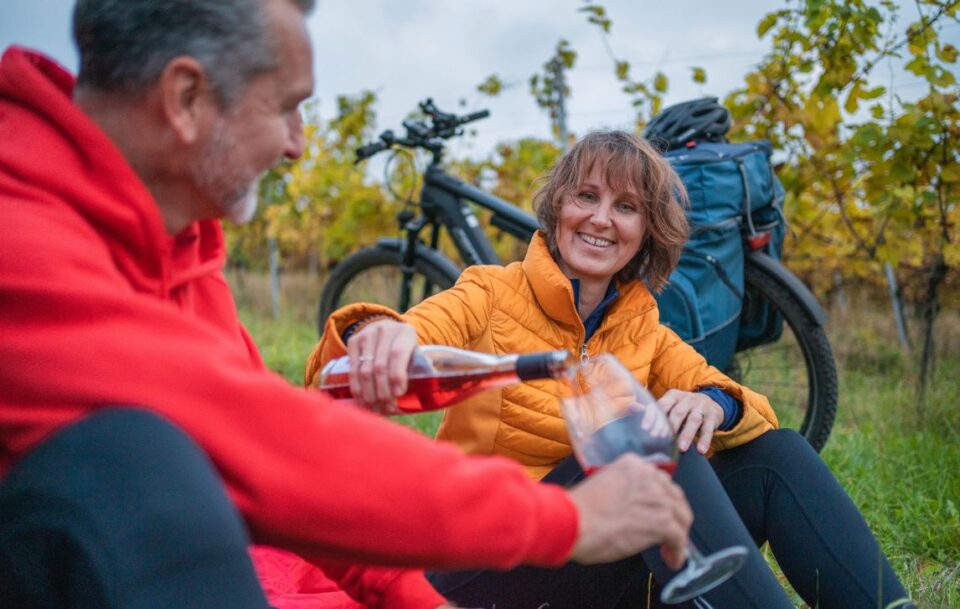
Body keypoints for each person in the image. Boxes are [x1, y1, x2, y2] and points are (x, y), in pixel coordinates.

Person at [0, 3, 698, 609]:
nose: (298, 143)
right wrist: (562, 520)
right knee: (132, 450)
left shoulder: (181, 248)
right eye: (286, 106)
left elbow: (292, 464)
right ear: (185, 98)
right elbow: (265, 448)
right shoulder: (20, 239)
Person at [309, 131, 915, 609]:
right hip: (486, 561)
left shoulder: (641, 325)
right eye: (587, 197)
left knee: (775, 457)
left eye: (626, 207)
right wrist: (376, 334)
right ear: (557, 207)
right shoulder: (489, 292)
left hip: (590, 561)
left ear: (646, 232)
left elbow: (745, 408)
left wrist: (714, 404)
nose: (602, 219)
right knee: (648, 447)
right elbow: (417, 329)